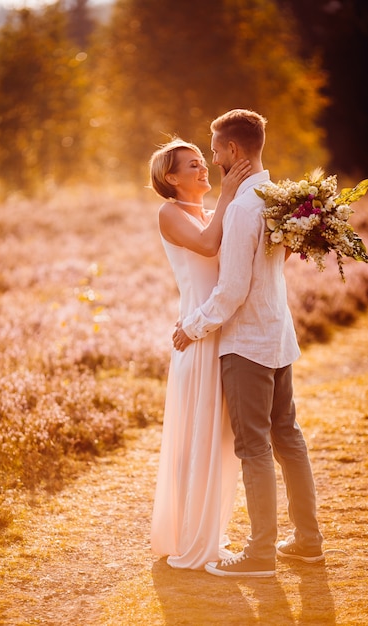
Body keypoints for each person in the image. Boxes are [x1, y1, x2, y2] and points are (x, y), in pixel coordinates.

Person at [173, 109, 324, 577]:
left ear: (233, 150)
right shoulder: (276, 199)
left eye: (215, 150)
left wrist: (192, 326)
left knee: (254, 447)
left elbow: (233, 289)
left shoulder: (242, 207)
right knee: (288, 439)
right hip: (278, 336)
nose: (213, 158)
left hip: (247, 345)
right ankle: (307, 541)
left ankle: (259, 554)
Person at [149, 138, 251, 569]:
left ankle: (209, 533)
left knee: (221, 439)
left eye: (201, 161)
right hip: (193, 336)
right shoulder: (170, 213)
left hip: (218, 330)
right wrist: (229, 193)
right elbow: (209, 247)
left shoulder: (210, 211)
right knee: (198, 437)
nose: (203, 168)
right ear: (171, 178)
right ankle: (190, 540)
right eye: (192, 165)